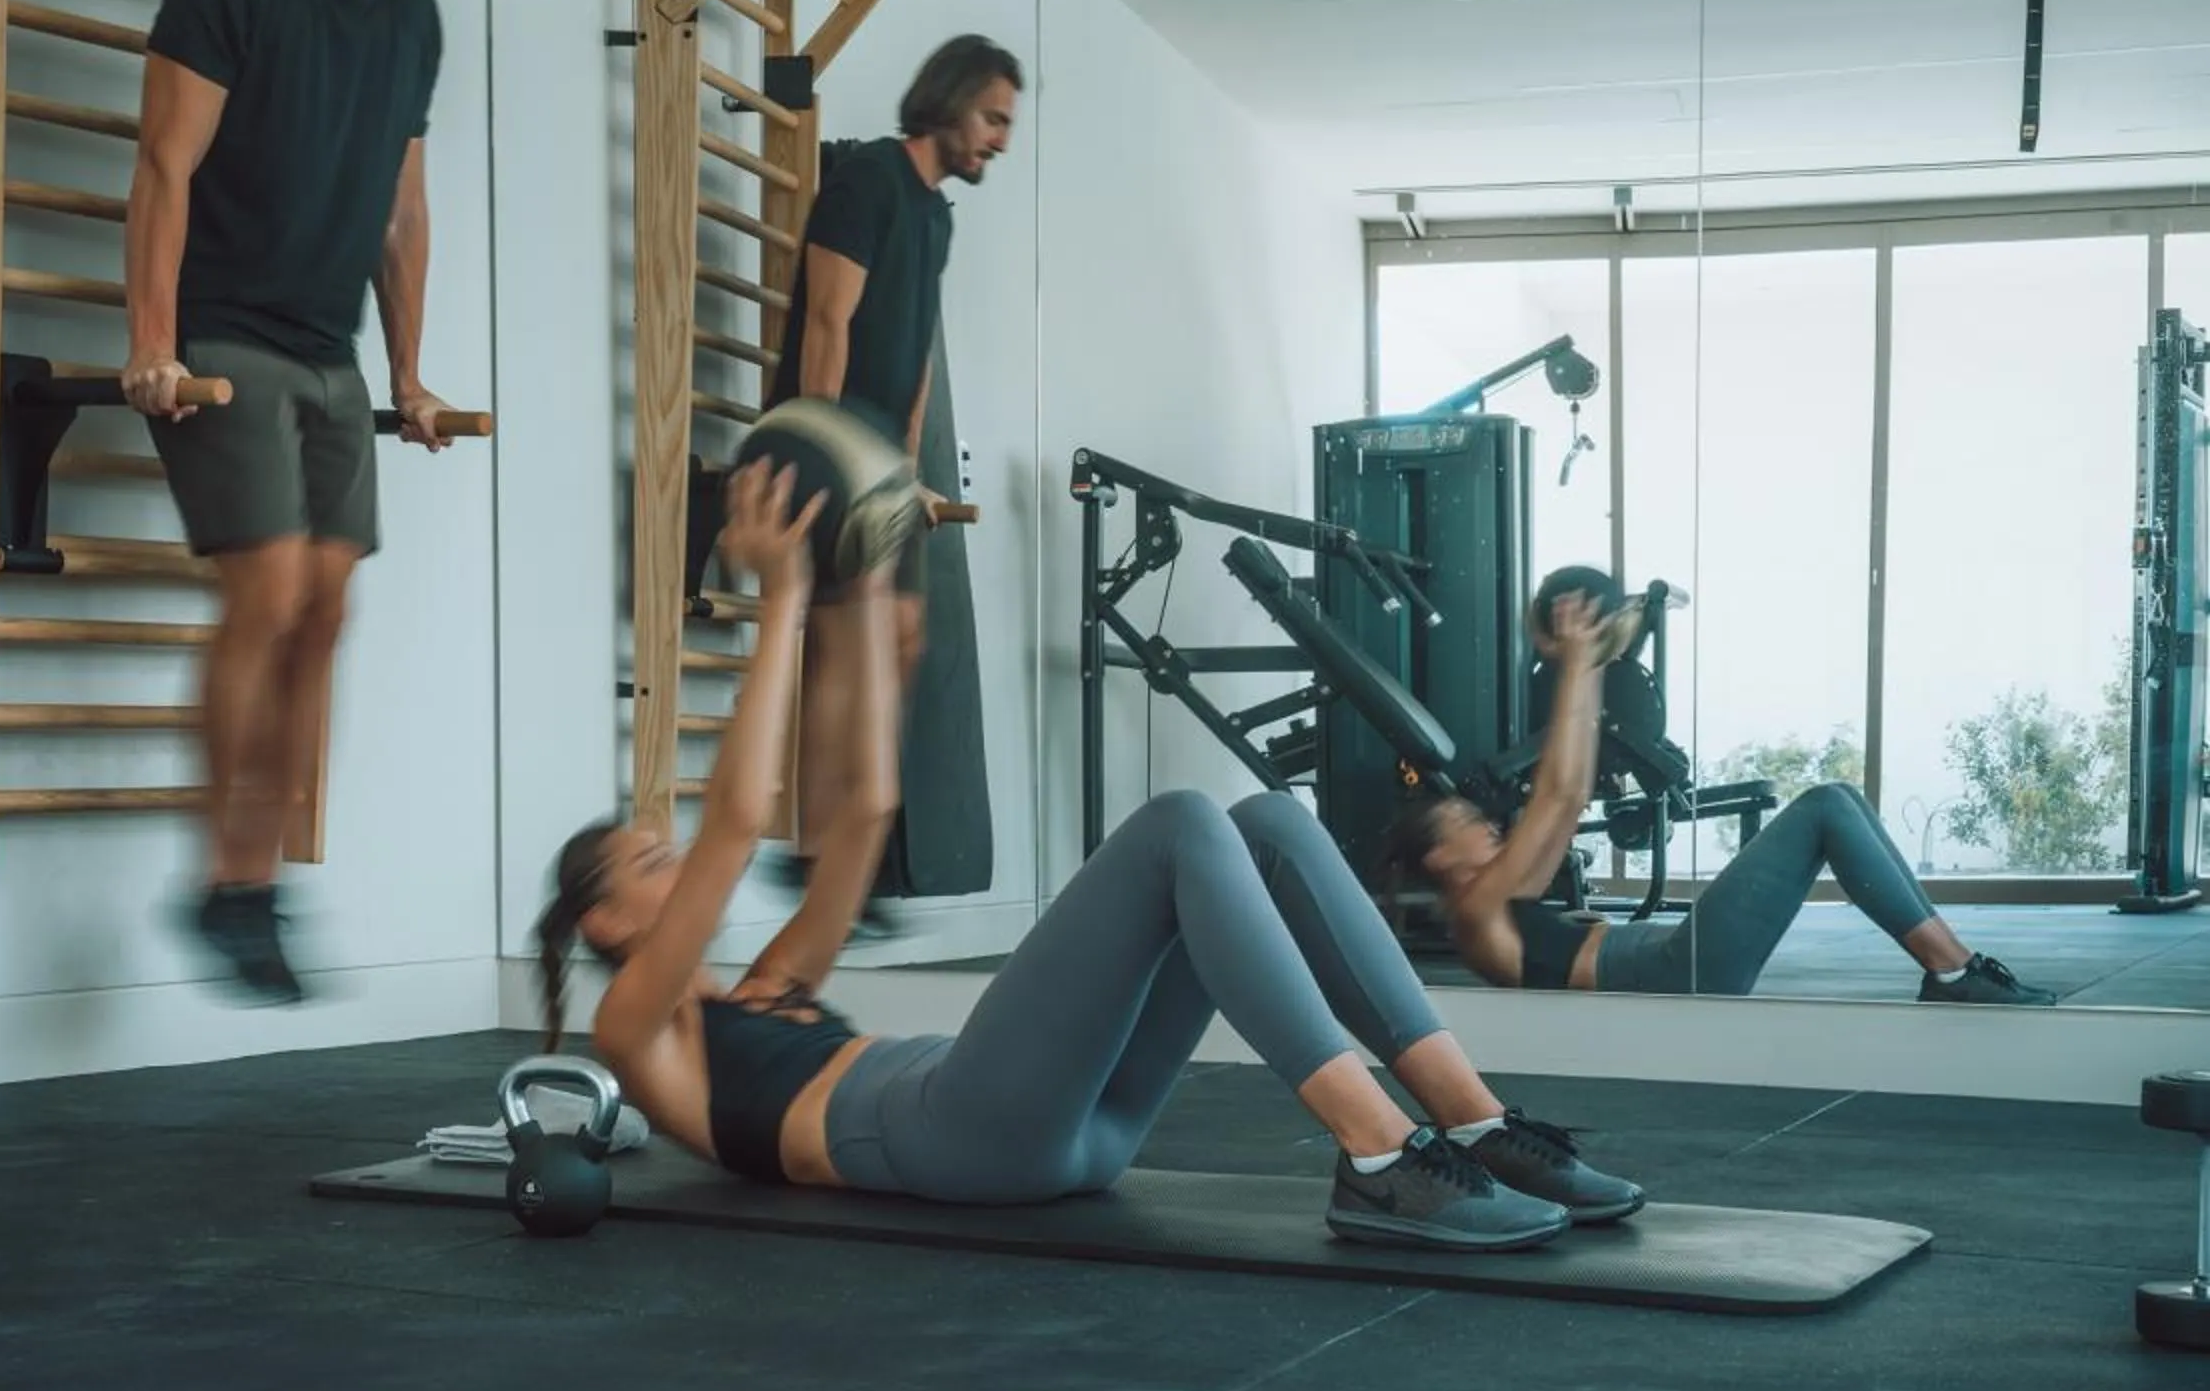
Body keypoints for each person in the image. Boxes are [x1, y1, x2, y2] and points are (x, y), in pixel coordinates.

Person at [530, 465, 1650, 1252]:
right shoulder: (636, 1029)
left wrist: (865, 592)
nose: (673, 858)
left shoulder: (771, 988)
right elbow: (733, 825)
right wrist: (780, 598)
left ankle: (1476, 1125)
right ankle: (1375, 1154)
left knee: (1264, 824)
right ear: (603, 926)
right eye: (644, 863)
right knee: (1175, 825)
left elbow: (866, 810)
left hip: (1073, 1129)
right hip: (961, 1138)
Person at [120, 0, 473, 1003]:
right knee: (267, 595)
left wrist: (414, 373)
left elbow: (402, 212)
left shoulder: (415, 23)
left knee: (324, 613)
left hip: (331, 353)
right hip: (223, 335)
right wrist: (152, 344)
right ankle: (229, 883)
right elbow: (165, 167)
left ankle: (254, 888)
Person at [1385, 592, 2059, 1004]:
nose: (1484, 826)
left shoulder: (1498, 907)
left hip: (1678, 959)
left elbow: (1566, 795)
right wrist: (1577, 664)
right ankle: (1951, 971)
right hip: (1681, 971)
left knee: (1840, 796)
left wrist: (1585, 670)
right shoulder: (1476, 910)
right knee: (1823, 805)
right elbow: (1559, 796)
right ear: (1442, 858)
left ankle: (1953, 967)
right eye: (1465, 824)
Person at [759, 35, 1020, 929]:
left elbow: (912, 357)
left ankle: (836, 846)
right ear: (947, 102)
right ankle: (821, 850)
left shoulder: (936, 216)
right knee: (853, 642)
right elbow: (828, 323)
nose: (1001, 139)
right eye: (993, 118)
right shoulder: (867, 180)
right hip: (832, 443)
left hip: (883, 460)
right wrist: (820, 454)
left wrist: (910, 473)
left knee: (899, 638)